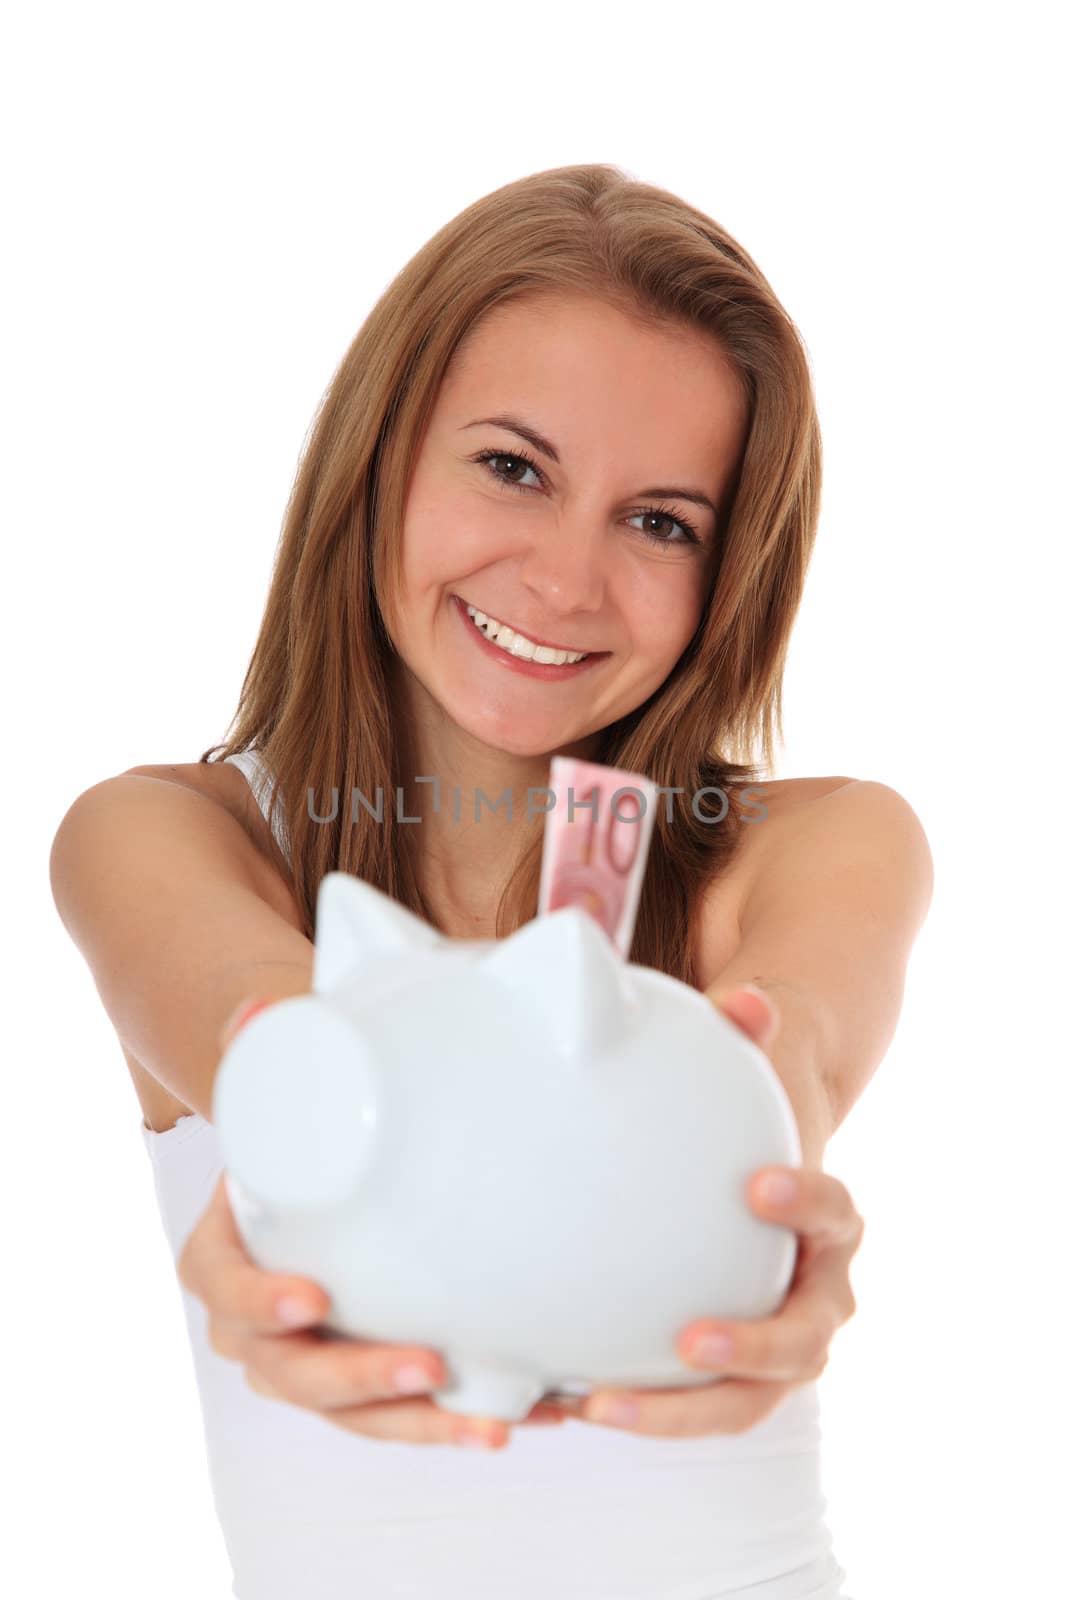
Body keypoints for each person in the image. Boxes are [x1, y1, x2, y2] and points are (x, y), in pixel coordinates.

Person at [49, 162, 933, 1598]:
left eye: (661, 522)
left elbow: (796, 1061)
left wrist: (779, 1199)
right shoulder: (168, 835)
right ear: (382, 457)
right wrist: (299, 1110)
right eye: (513, 467)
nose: (564, 581)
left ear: (726, 581)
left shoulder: (816, 846)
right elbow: (270, 1026)